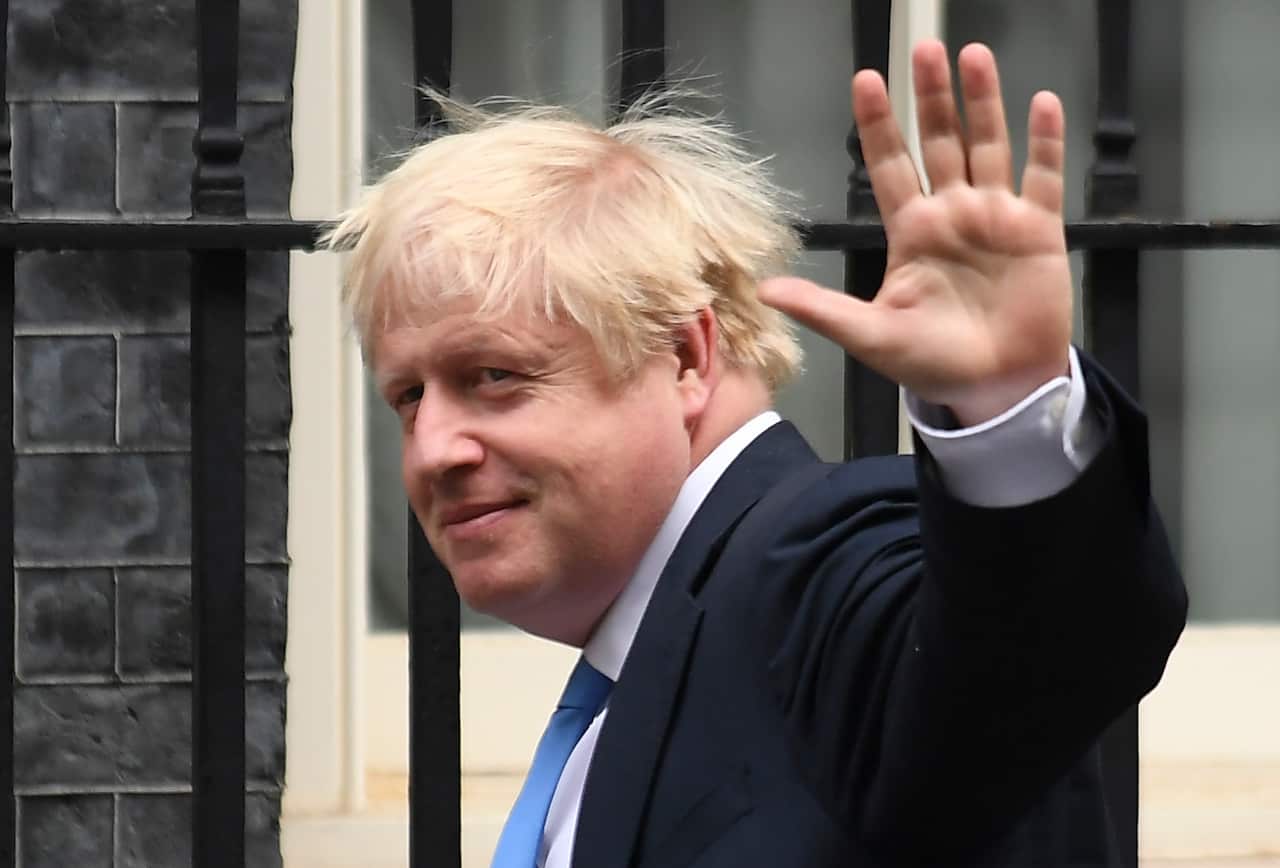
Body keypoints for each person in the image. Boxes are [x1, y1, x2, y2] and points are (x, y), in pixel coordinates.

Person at [327, 40, 1186, 868]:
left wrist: (1008, 413)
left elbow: (1041, 648)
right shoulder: (642, 660)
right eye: (409, 397)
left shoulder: (819, 571)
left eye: (493, 376)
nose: (432, 450)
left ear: (685, 357)